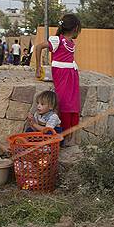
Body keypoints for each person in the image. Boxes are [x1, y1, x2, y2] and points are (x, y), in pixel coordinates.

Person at [33, 14, 82, 145]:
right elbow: (38, 47)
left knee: (73, 104)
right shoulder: (58, 40)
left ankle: (68, 136)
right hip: (62, 75)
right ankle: (62, 136)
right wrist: (38, 68)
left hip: (72, 75)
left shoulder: (71, 42)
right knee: (65, 103)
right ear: (76, 28)